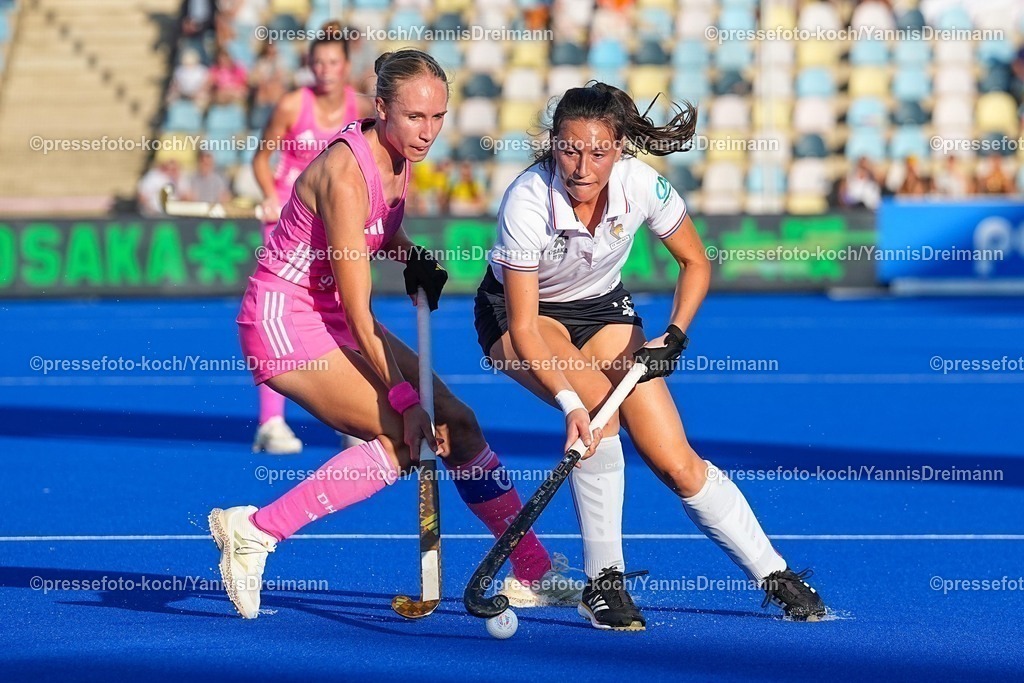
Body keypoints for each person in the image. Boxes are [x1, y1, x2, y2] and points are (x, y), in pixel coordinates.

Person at [209, 49, 580, 619]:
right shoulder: (344, 175)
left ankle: (532, 568)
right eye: (414, 118)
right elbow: (361, 314)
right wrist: (406, 402)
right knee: (409, 437)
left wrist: (411, 255)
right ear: (381, 108)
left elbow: (381, 229)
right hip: (285, 321)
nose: (428, 132)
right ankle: (256, 531)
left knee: (458, 423)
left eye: (438, 117)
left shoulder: (399, 156)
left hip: (330, 313)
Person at [474, 82, 827, 630]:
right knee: (599, 417)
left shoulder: (643, 186)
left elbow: (695, 262)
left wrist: (675, 335)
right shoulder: (526, 200)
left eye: (598, 151)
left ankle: (775, 574)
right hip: (523, 314)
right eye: (569, 149)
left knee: (675, 459)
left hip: (604, 308)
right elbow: (523, 327)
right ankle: (604, 584)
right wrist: (570, 404)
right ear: (553, 144)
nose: (582, 165)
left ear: (619, 148)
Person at [249, 21, 371, 454]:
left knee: (343, 309)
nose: (324, 70)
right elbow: (262, 159)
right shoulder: (290, 105)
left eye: (332, 62)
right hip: (287, 222)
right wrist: (267, 195)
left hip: (333, 223)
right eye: (317, 62)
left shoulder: (361, 108)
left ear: (345, 66)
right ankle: (271, 423)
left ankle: (351, 416)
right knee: (278, 314)